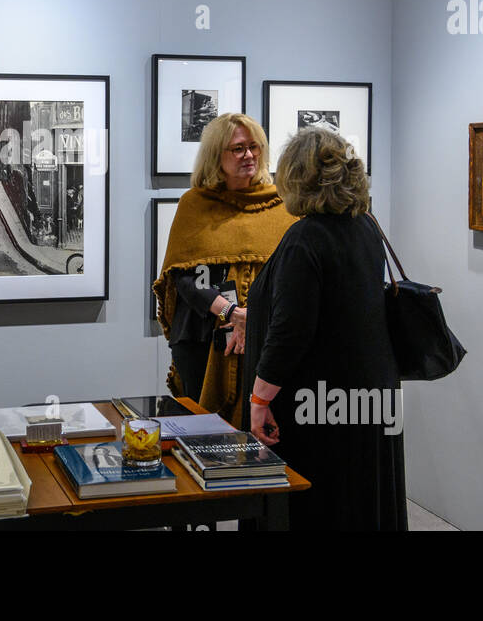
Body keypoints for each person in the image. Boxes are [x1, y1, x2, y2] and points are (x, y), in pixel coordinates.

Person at [246, 126, 407, 530]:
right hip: (367, 395)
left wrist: (260, 399)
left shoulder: (306, 238)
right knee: (359, 502)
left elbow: (290, 332)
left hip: (317, 404)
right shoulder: (365, 226)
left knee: (317, 506)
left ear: (296, 178)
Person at [153, 113, 297, 427]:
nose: (249, 155)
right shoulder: (195, 204)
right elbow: (184, 278)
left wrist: (254, 319)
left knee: (263, 428)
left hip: (265, 334)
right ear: (216, 155)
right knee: (202, 430)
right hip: (202, 335)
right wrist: (231, 313)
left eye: (254, 147)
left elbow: (291, 276)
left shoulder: (282, 205)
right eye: (238, 148)